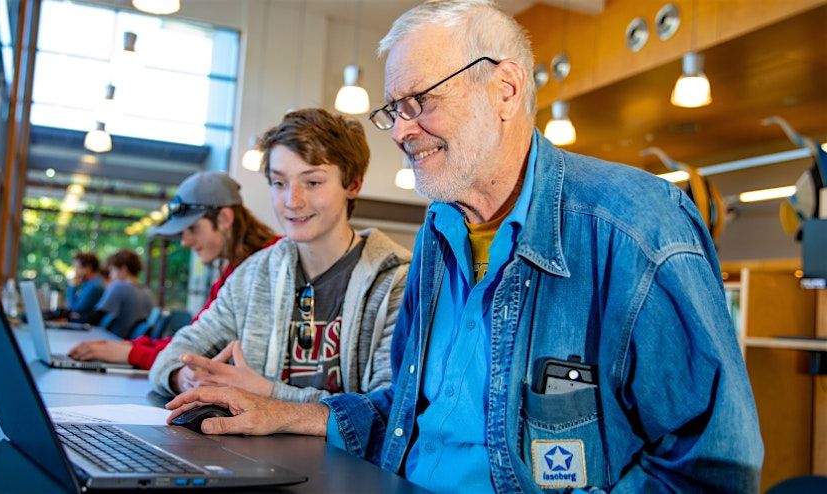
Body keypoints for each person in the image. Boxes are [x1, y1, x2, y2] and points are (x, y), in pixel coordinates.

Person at [164, 1, 763, 492]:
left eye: (420, 102)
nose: (400, 130)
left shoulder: (635, 227)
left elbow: (713, 467)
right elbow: (409, 413)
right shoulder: (440, 232)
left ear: (505, 89)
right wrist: (283, 413)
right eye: (393, 110)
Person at [151, 108, 411, 403]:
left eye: (312, 182)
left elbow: (387, 409)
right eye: (279, 183)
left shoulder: (396, 283)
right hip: (247, 447)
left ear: (352, 185)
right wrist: (185, 378)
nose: (292, 201)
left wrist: (265, 393)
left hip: (339, 451)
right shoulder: (254, 273)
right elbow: (175, 353)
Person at [68, 172, 279, 368]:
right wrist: (132, 347)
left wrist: (130, 354)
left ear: (224, 219)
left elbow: (204, 355)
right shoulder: (233, 272)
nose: (185, 242)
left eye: (192, 229)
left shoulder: (268, 266)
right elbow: (195, 339)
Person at [91, 249, 154, 338]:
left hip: (114, 340)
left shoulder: (119, 286)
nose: (110, 275)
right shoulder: (147, 292)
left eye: (112, 270)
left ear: (124, 269)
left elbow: (96, 318)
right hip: (131, 343)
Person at [66, 252, 105, 323]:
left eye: (77, 267)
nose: (75, 271)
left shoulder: (94, 286)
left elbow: (75, 308)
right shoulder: (88, 283)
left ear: (88, 268)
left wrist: (72, 287)